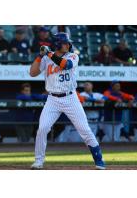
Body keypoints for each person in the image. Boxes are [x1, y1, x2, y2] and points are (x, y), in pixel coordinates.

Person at [30, 32, 105, 170]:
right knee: (42, 128)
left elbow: (66, 65)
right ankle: (39, 161)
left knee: (84, 129)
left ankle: (99, 159)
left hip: (70, 98)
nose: (68, 44)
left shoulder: (73, 56)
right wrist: (40, 56)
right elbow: (32, 73)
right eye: (65, 42)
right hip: (52, 99)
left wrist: (49, 54)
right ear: (58, 43)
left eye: (67, 42)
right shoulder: (46, 58)